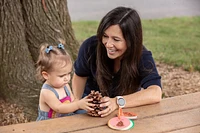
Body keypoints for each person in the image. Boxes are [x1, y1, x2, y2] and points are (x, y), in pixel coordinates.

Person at [72, 6, 162, 117]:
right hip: (90, 106)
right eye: (105, 36)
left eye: (116, 39)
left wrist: (117, 102)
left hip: (125, 105)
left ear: (131, 41)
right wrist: (76, 103)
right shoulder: (90, 46)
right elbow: (80, 75)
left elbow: (155, 93)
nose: (108, 44)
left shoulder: (142, 56)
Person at [35, 42, 94, 121]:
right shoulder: (47, 92)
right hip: (48, 125)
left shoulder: (65, 85)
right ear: (46, 75)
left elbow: (73, 102)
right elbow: (59, 108)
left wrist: (85, 105)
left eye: (68, 74)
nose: (66, 78)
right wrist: (78, 104)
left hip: (64, 120)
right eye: (61, 76)